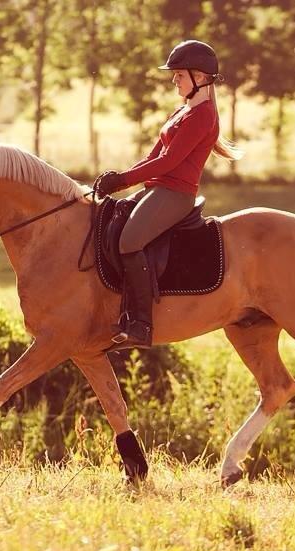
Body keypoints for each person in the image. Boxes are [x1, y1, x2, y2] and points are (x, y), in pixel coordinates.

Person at [96, 39, 242, 351]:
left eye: (179, 74)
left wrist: (123, 181)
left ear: (200, 78)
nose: (173, 79)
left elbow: (169, 162)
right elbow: (152, 158)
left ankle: (140, 324)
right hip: (158, 189)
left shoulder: (202, 115)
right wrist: (118, 178)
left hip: (175, 195)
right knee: (114, 219)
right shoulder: (182, 111)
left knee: (130, 241)